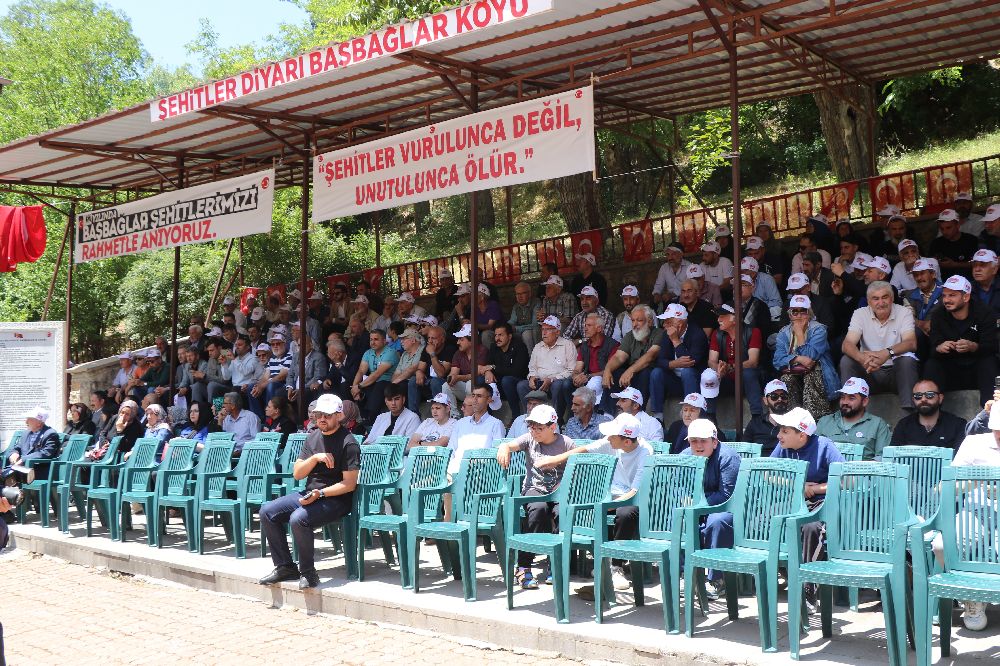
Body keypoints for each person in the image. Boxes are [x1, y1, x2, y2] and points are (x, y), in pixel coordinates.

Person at [258, 393, 360, 589]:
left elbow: (349, 484)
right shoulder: (312, 437)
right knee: (267, 512)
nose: (322, 418)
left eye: (328, 415)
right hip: (310, 494)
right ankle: (285, 567)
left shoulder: (349, 442)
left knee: (299, 518)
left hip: (336, 499)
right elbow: (297, 473)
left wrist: (320, 494)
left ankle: (308, 573)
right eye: (319, 414)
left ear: (339, 415)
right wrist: (315, 458)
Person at [496, 404, 580, 588]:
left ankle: (554, 563)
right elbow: (510, 445)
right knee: (538, 510)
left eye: (539, 428)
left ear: (553, 427)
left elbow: (575, 473)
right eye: (531, 427)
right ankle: (524, 566)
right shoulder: (529, 439)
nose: (534, 431)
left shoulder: (566, 443)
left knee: (561, 513)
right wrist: (504, 446)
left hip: (559, 492)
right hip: (534, 489)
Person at [769, 406, 845, 611]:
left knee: (812, 527)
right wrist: (798, 487)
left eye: (785, 431)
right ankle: (783, 573)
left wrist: (816, 488)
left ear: (801, 435)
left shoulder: (824, 446)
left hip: (822, 504)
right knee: (764, 520)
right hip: (791, 501)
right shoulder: (782, 446)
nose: (779, 435)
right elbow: (768, 474)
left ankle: (808, 588)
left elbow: (847, 480)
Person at [574, 412, 654, 599]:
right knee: (589, 504)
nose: (607, 438)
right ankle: (601, 561)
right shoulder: (613, 442)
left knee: (626, 513)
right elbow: (585, 449)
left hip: (636, 499)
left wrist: (608, 505)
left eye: (612, 435)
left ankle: (616, 565)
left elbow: (635, 492)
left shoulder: (645, 452)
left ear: (626, 441)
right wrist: (552, 460)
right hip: (613, 494)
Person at [681, 418, 741, 597]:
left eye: (703, 441)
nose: (698, 445)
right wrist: (688, 504)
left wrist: (697, 505)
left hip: (727, 508)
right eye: (694, 441)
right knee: (679, 517)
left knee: (717, 520)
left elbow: (727, 495)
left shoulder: (728, 457)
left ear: (714, 442)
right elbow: (678, 487)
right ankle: (687, 573)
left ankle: (717, 579)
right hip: (698, 506)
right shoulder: (685, 457)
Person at [839, 281, 919, 412]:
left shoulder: (904, 312)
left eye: (885, 297)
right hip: (870, 371)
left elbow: (911, 343)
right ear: (869, 302)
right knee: (846, 361)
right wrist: (861, 358)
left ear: (892, 298)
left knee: (907, 361)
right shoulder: (860, 313)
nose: (881, 303)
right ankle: (850, 410)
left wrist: (887, 353)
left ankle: (909, 414)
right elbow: (847, 345)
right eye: (875, 299)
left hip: (896, 372)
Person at [923, 274, 998, 404]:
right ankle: (931, 410)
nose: (946, 300)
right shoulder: (938, 315)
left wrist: (974, 346)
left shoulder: (984, 313)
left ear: (966, 297)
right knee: (932, 365)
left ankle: (991, 413)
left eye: (952, 295)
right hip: (950, 368)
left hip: (977, 368)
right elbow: (932, 351)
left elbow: (992, 348)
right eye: (944, 295)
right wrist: (939, 348)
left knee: (989, 363)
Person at [773, 294, 839, 419]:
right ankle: (793, 420)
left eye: (803, 311)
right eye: (795, 312)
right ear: (790, 314)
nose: (799, 315)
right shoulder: (783, 332)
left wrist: (799, 334)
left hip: (818, 376)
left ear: (809, 313)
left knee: (811, 376)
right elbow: (777, 361)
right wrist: (798, 358)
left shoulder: (819, 330)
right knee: (786, 379)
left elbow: (810, 356)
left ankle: (815, 419)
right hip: (794, 373)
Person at [649, 303, 708, 419]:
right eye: (664, 322)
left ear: (680, 324)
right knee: (656, 373)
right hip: (674, 380)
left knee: (687, 372)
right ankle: (658, 417)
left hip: (694, 381)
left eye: (668, 322)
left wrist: (676, 341)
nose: (664, 325)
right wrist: (672, 364)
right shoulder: (667, 334)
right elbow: (659, 360)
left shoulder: (697, 334)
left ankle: (691, 415)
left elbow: (691, 362)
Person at [707, 302, 764, 417]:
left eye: (722, 316)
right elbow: (711, 361)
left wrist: (731, 367)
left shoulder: (753, 332)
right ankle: (710, 416)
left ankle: (757, 416)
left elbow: (753, 362)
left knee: (748, 373)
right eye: (718, 316)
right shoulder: (717, 334)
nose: (718, 320)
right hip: (726, 379)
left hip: (745, 381)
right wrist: (719, 368)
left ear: (735, 318)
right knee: (709, 374)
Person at [815, 378, 891, 460]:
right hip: (828, 471)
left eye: (851, 398)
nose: (845, 402)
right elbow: (814, 453)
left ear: (865, 401)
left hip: (863, 471)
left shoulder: (878, 424)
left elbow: (883, 458)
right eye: (843, 397)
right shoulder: (825, 421)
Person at [602, 305, 662, 408]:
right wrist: (607, 370)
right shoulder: (630, 335)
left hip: (650, 374)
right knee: (614, 373)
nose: (634, 324)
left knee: (646, 373)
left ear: (650, 322)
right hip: (632, 374)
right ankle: (608, 414)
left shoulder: (659, 333)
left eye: (639, 320)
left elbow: (650, 356)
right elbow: (618, 357)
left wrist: (630, 370)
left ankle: (638, 412)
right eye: (633, 320)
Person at [517, 316, 576, 419]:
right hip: (539, 382)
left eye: (548, 329)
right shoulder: (538, 346)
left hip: (557, 382)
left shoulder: (568, 345)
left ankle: (556, 420)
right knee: (522, 385)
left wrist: (552, 379)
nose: (544, 332)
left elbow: (572, 370)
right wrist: (532, 377)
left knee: (558, 385)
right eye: (543, 329)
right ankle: (529, 417)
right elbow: (532, 367)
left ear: (557, 332)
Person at [890, 379, 966, 450]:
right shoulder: (903, 425)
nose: (923, 399)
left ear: (940, 398)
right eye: (918, 396)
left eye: (929, 395)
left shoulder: (958, 425)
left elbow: (961, 460)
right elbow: (892, 458)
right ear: (913, 400)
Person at [565, 312, 618, 414]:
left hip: (603, 379)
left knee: (595, 381)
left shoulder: (612, 345)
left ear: (599, 328)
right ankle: (575, 415)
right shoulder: (584, 346)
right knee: (567, 384)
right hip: (587, 378)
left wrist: (589, 376)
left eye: (589, 325)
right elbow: (577, 368)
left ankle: (593, 413)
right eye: (585, 325)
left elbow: (611, 369)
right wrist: (576, 376)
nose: (585, 328)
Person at [447, 383, 506, 474]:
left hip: (480, 474)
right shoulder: (460, 423)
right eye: (473, 395)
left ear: (489, 400)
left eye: (479, 396)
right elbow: (451, 451)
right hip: (454, 472)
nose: (474, 400)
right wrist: (448, 472)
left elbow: (496, 454)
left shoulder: (496, 424)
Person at [482, 323, 529, 418]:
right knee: (482, 381)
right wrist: (488, 372)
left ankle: (515, 416)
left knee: (507, 380)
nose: (497, 338)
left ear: (510, 336)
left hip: (516, 383)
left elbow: (517, 371)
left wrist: (494, 368)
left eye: (501, 335)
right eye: (496, 335)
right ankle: (487, 417)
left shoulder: (519, 346)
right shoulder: (494, 347)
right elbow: (488, 365)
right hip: (500, 385)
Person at [351, 328, 399, 421]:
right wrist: (354, 387)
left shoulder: (390, 352)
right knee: (364, 389)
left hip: (389, 381)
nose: (372, 342)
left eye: (376, 339)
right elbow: (361, 371)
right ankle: (365, 418)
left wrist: (359, 386)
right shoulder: (368, 353)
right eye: (371, 339)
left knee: (379, 385)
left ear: (384, 341)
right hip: (374, 381)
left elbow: (378, 373)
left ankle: (372, 419)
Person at [2, 407, 59, 484]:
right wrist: (14, 453)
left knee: (6, 477)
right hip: (20, 468)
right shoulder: (26, 433)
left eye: (29, 419)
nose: (26, 422)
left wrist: (24, 459)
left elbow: (46, 453)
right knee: (4, 474)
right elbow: (17, 447)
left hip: (37, 470)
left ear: (39, 422)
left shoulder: (50, 434)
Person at [444, 323, 488, 412]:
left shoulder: (482, 350)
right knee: (446, 386)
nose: (457, 342)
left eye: (461, 339)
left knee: (470, 384)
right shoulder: (458, 353)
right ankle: (454, 414)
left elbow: (477, 373)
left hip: (480, 391)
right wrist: (451, 378)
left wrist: (459, 377)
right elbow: (453, 373)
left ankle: (473, 412)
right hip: (466, 389)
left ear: (471, 341)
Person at [742, 380, 792, 456]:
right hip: (759, 465)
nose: (780, 399)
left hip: (785, 465)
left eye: (783, 396)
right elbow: (743, 450)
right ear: (765, 400)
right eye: (774, 396)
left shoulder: (794, 423)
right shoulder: (755, 423)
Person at [410, 325, 453, 412]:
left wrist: (432, 354)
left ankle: (439, 412)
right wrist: (418, 372)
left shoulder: (449, 349)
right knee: (413, 380)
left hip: (443, 385)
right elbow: (420, 368)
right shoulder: (427, 348)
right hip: (427, 383)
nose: (430, 341)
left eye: (433, 338)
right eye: (428, 338)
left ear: (442, 339)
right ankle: (413, 414)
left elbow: (441, 374)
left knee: (435, 381)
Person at [930, 208, 979, 279]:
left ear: (958, 225)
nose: (945, 232)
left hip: (968, 282)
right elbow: (930, 263)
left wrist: (955, 265)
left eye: (948, 228)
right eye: (942, 228)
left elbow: (977, 263)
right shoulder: (936, 243)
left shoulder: (971, 240)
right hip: (944, 283)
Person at [508, 280, 540, 349]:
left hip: (536, 333)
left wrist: (516, 328)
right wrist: (506, 327)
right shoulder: (516, 307)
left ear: (529, 294)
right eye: (518, 294)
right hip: (521, 333)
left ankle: (533, 358)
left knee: (527, 334)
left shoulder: (536, 303)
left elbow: (535, 325)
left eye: (523, 293)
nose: (520, 296)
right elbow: (512, 321)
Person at [970, 248, 1000, 314]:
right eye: (974, 265)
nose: (977, 269)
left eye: (982, 265)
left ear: (994, 269)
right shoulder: (966, 289)